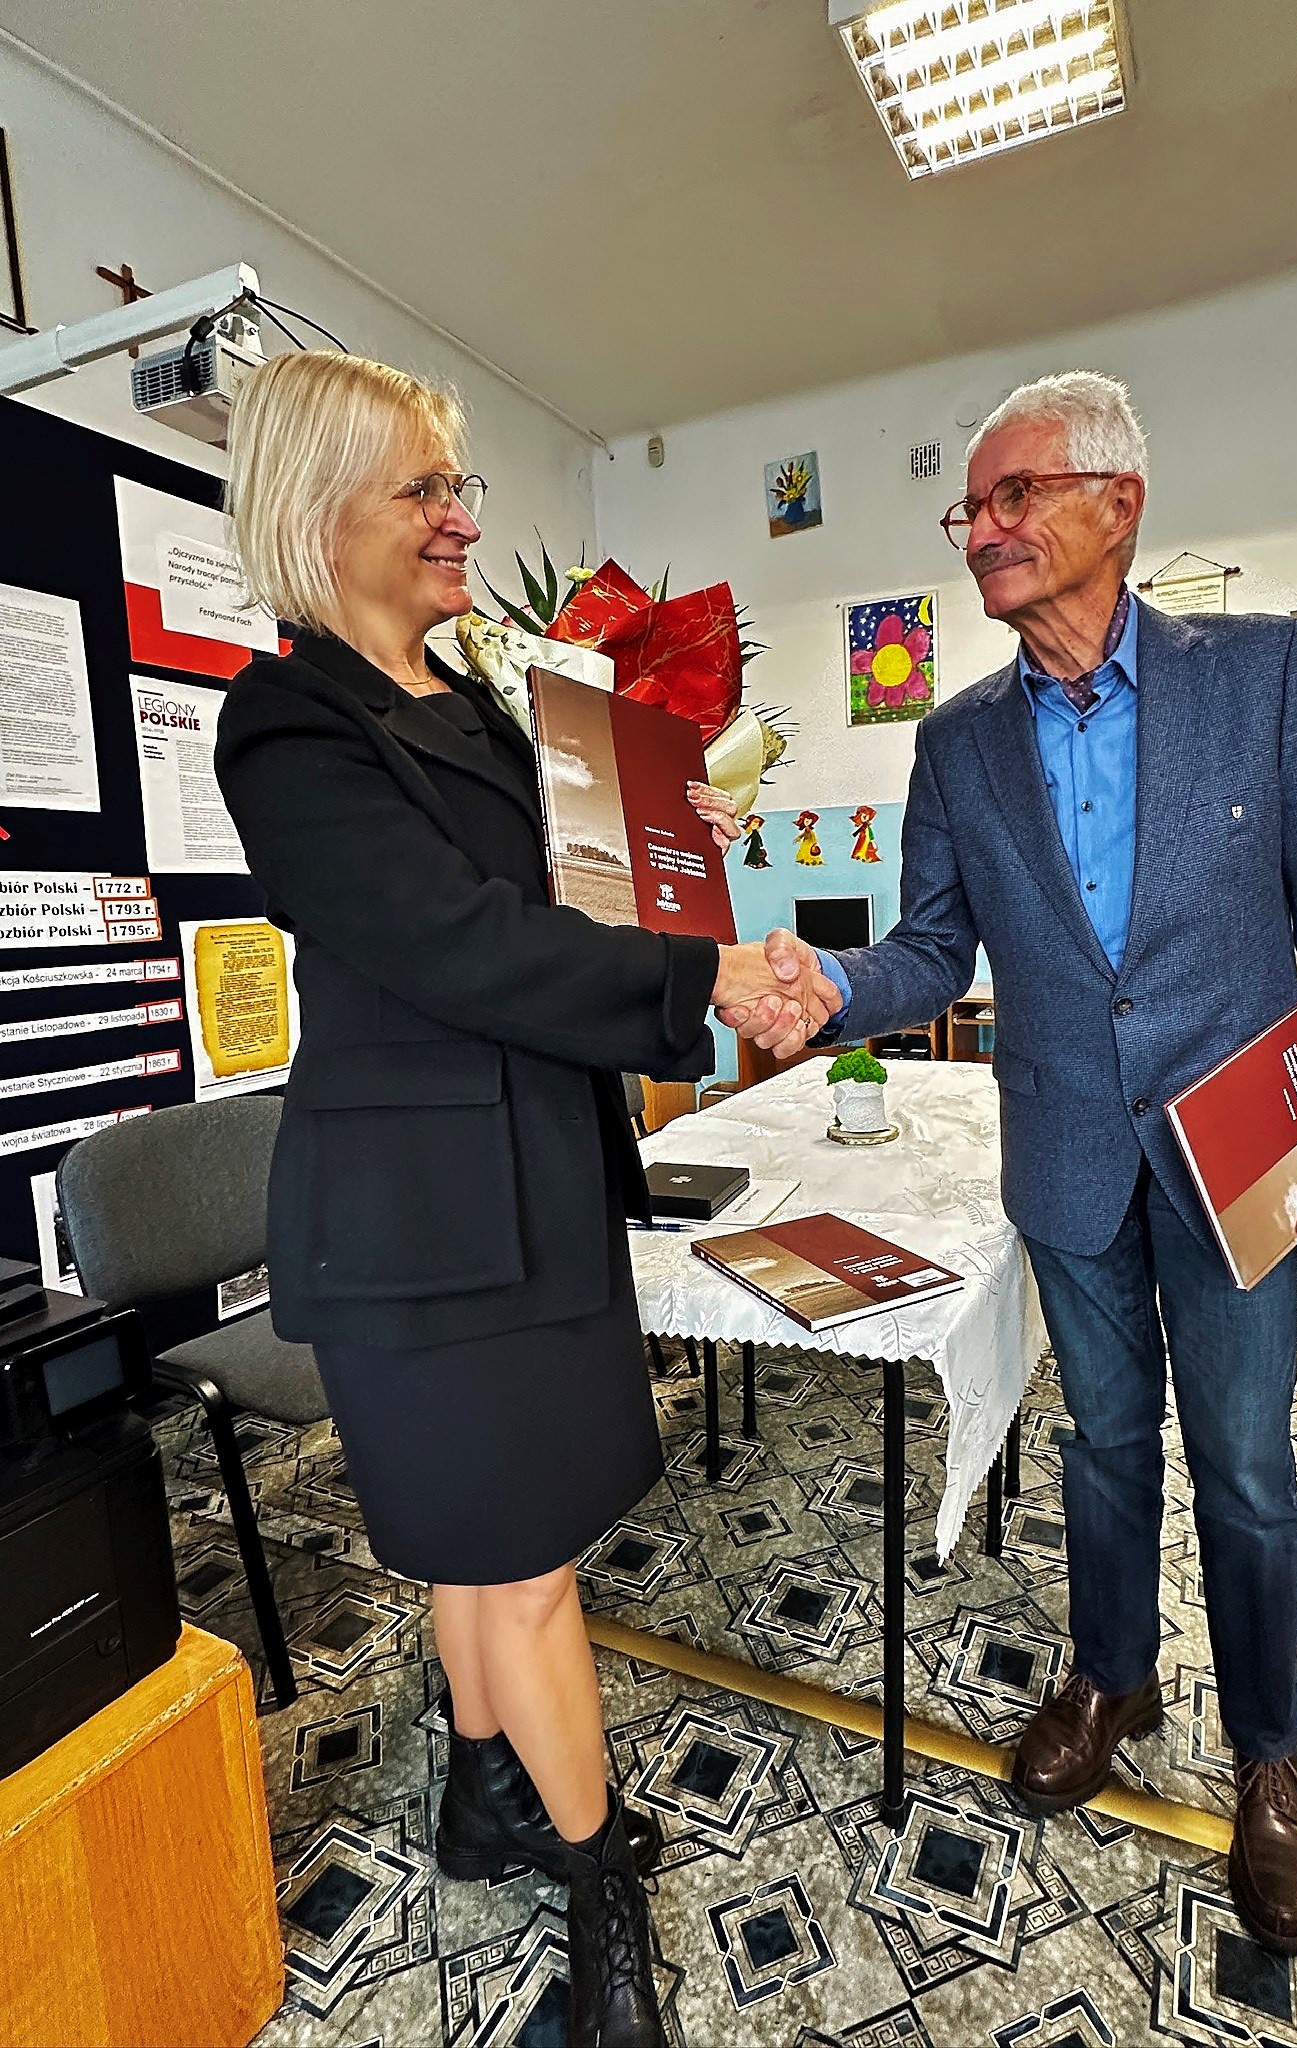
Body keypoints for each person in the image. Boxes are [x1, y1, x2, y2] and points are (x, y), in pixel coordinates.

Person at [723, 371, 1297, 1956]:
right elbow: (930, 947)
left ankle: (1271, 1754)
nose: (984, 530)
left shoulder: (1261, 676)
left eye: (1014, 495)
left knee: (1245, 1469)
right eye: (969, 508)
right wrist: (839, 988)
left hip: (1238, 1156)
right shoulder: (959, 740)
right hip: (1064, 1155)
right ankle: (1112, 1671)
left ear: (1118, 500)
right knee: (1106, 1444)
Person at [215, 349, 838, 2048]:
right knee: (518, 1565)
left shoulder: (478, 704)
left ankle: (485, 1796)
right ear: (313, 505)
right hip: (415, 1224)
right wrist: (701, 985)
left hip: (533, 1177)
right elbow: (460, 943)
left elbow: (576, 881)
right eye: (421, 487)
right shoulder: (288, 730)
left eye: (454, 485)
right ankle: (605, 1926)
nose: (457, 517)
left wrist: (682, 837)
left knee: (490, 1559)